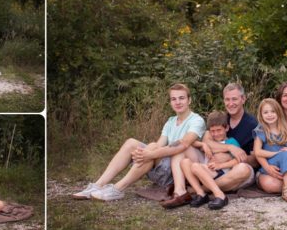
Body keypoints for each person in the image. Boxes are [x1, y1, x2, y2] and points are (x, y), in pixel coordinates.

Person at [72, 83, 204, 209]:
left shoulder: (196, 120)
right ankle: (97, 185)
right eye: (173, 99)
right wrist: (142, 152)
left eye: (181, 98)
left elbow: (184, 144)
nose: (178, 102)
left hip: (178, 172)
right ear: (170, 102)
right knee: (132, 143)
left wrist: (149, 154)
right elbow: (159, 144)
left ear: (189, 100)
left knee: (151, 149)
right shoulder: (170, 122)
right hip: (164, 167)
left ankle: (118, 189)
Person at [181, 111, 245, 210]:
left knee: (195, 166)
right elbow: (192, 142)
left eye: (219, 130)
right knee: (184, 162)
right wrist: (203, 144)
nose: (216, 134)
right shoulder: (210, 141)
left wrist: (220, 166)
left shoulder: (231, 142)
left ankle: (220, 195)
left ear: (226, 128)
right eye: (212, 131)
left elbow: (238, 160)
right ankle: (201, 194)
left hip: (220, 172)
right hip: (207, 169)